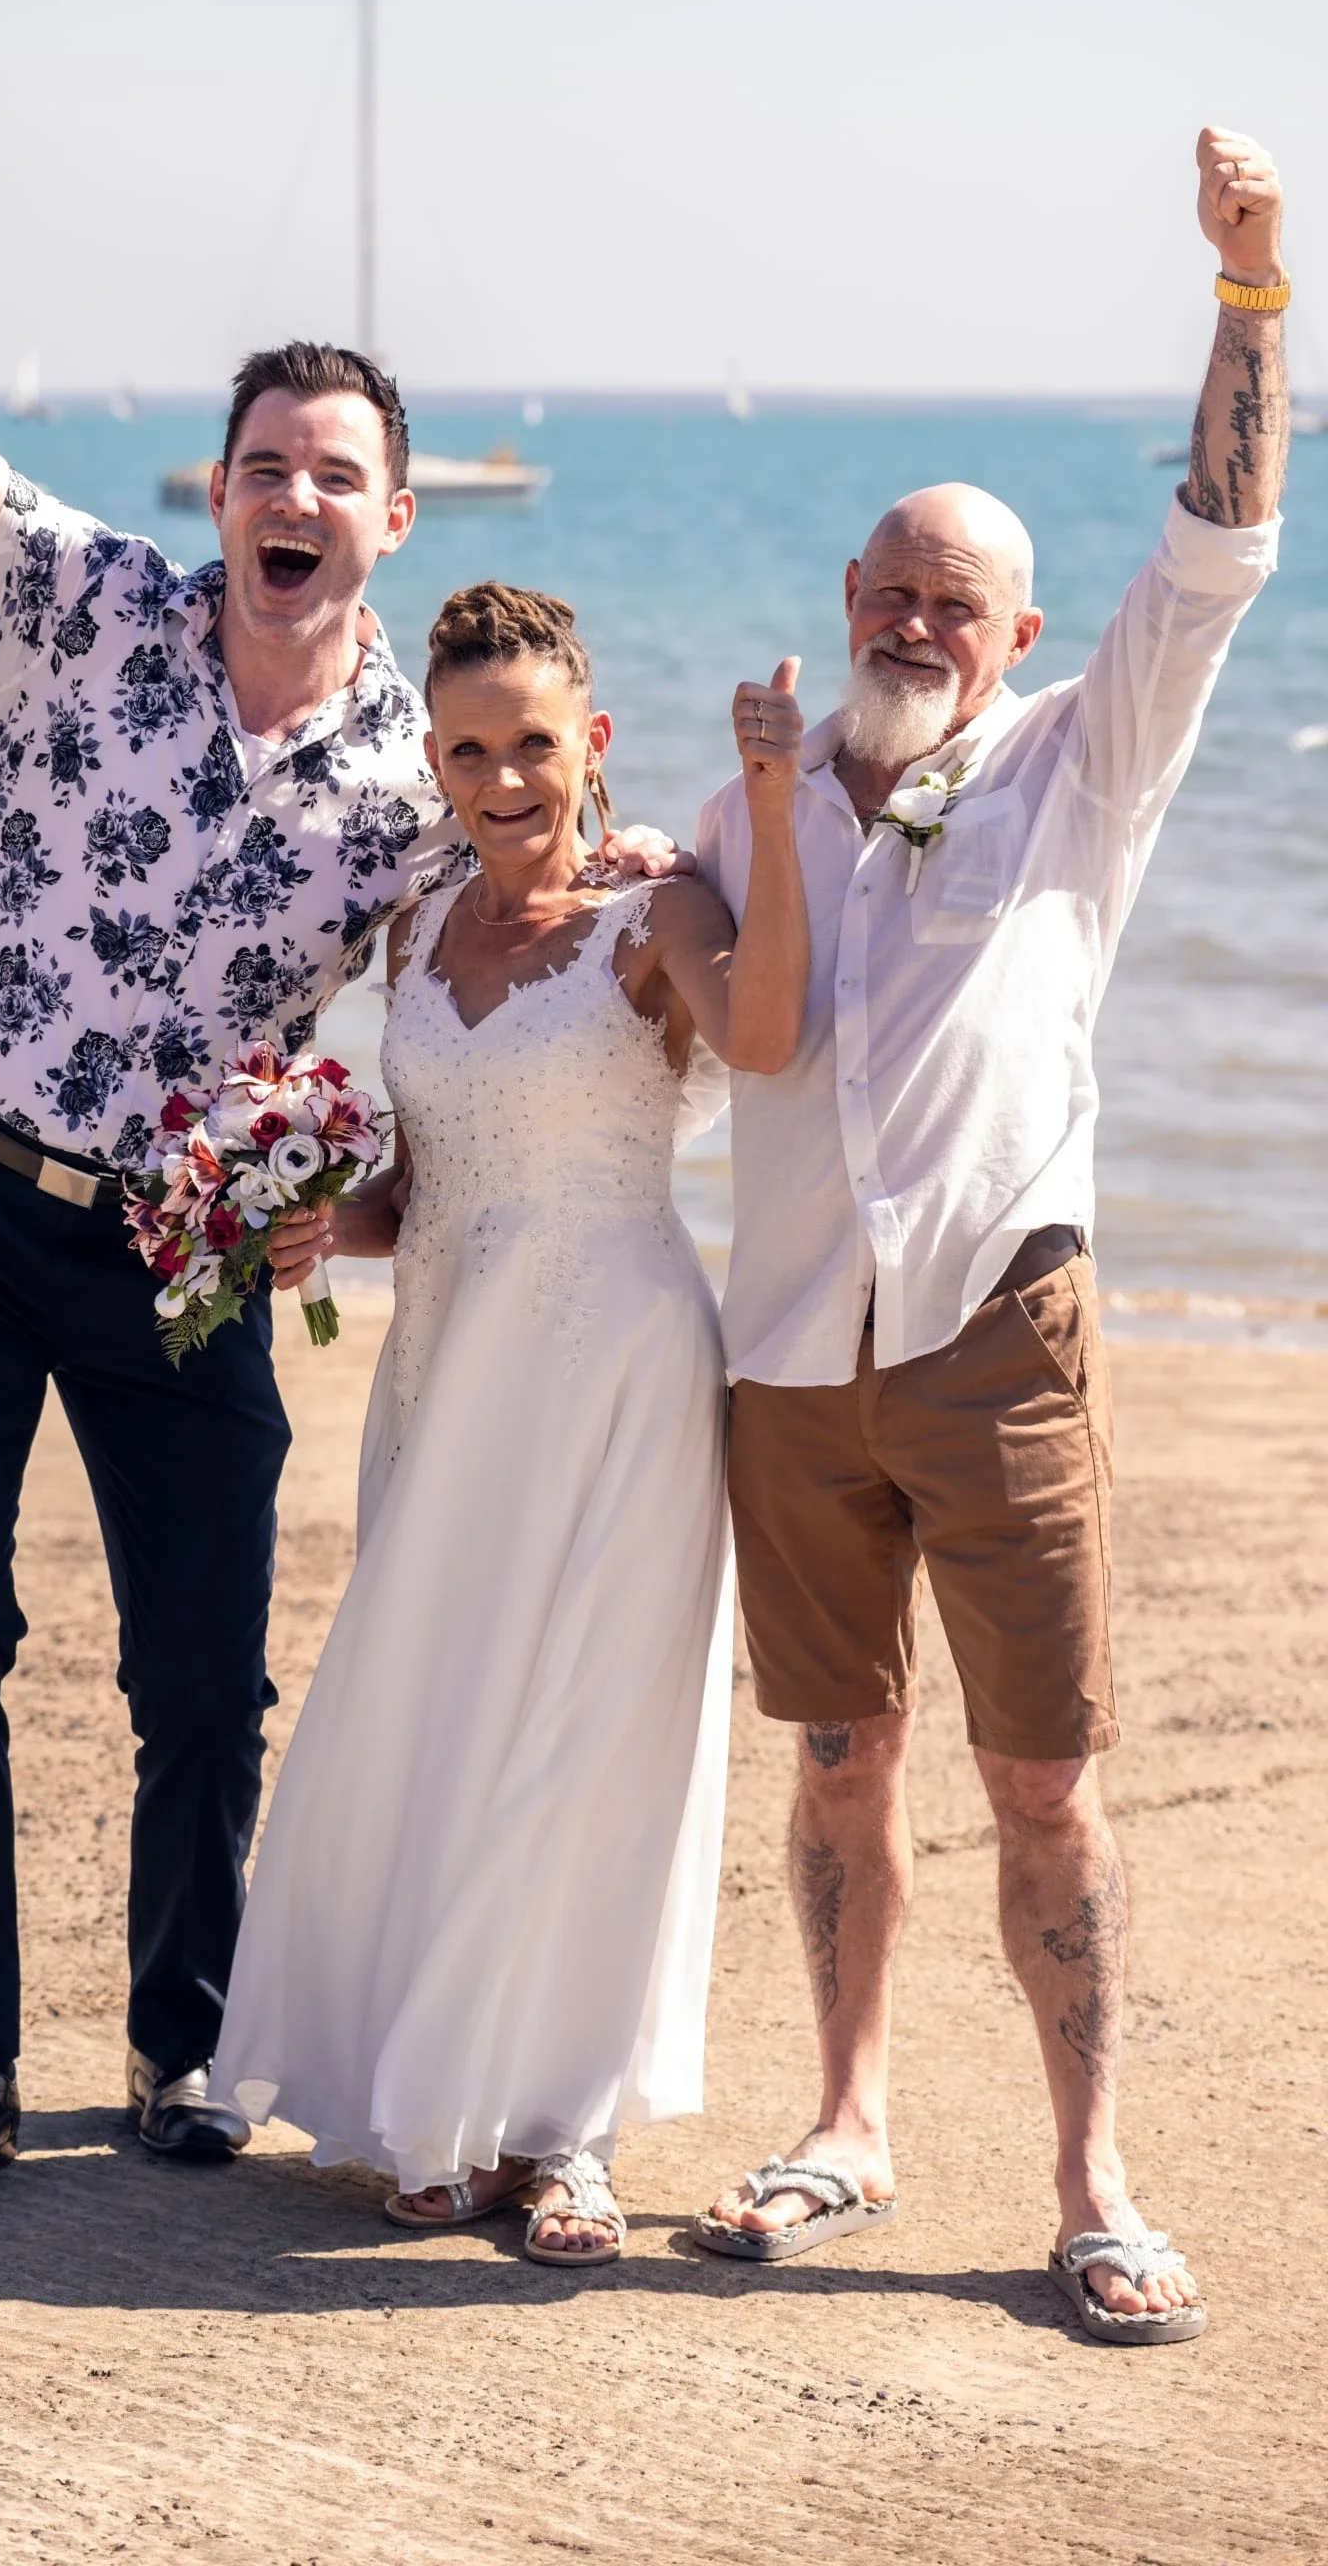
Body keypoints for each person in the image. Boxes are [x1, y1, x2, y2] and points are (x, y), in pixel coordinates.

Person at [0, 80, 683, 2210]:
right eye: (266, 463)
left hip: (185, 1250)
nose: (294, 495)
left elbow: (522, 895)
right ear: (219, 490)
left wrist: (643, 859)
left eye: (339, 473)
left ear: (393, 516)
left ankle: (182, 2048)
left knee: (204, 1675)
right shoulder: (73, 602)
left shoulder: (423, 768)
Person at [689, 129, 1289, 2345]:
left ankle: (1091, 2179)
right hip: (783, 1354)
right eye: (892, 583)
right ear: (844, 592)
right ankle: (845, 2124)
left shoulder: (1076, 763)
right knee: (840, 1762)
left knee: (1044, 1777)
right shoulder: (748, 809)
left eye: (959, 598)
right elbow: (620, 977)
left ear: (1017, 635)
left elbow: (1222, 547)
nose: (917, 619)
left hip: (996, 1334)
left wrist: (1249, 292)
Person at [207, 583, 809, 2261]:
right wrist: (331, 1221)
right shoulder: (417, 933)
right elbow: (430, 1179)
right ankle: (439, 2095)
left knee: (588, 1743)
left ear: (590, 743)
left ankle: (568, 2137)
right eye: (466, 749)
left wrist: (763, 798)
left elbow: (764, 1036)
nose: (501, 780)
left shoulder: (652, 920)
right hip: (443, 1368)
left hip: (615, 1369)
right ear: (434, 755)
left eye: (533, 744)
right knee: (443, 1709)